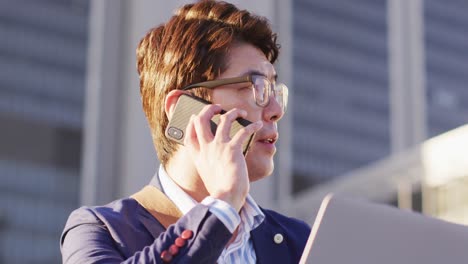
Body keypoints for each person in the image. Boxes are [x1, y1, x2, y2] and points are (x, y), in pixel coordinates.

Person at [60, 1, 310, 263]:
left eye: (275, 90)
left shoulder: (299, 241)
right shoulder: (99, 230)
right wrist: (221, 206)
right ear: (187, 109)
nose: (275, 110)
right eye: (257, 87)